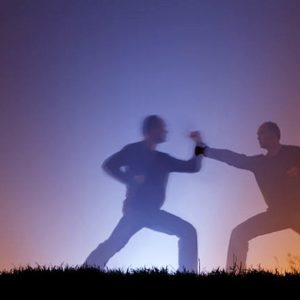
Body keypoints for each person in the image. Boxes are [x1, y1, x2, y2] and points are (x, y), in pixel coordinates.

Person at [84, 115, 203, 272]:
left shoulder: (163, 159)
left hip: (153, 213)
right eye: (162, 127)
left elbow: (192, 167)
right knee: (113, 245)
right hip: (135, 211)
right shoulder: (132, 150)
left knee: (188, 231)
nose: (165, 130)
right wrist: (130, 179)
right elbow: (109, 165)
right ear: (151, 129)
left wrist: (199, 144)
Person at [195, 121, 300, 270]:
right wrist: (205, 150)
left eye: (261, 133)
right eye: (257, 135)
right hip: (276, 214)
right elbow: (233, 158)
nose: (258, 137)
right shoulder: (259, 163)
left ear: (274, 134)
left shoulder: (295, 153)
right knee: (239, 234)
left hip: (297, 211)